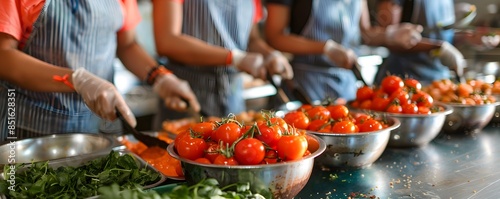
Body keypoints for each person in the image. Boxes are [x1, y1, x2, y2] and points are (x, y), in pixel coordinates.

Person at [0, 0, 200, 142]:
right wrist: (75, 79)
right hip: (33, 132)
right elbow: (4, 57)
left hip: (101, 130)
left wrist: (160, 78)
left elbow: (127, 45)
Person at [152, 0, 294, 128]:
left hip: (233, 96)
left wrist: (269, 54)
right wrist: (235, 58)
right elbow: (167, 41)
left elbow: (251, 39)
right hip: (186, 96)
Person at [265, 0, 423, 102]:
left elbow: (364, 33)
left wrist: (388, 34)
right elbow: (274, 37)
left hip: (347, 86)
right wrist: (325, 48)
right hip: (305, 85)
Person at [373, 0, 500, 85]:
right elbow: (389, 39)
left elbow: (440, 35)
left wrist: (467, 37)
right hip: (403, 81)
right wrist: (438, 47)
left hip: (439, 82)